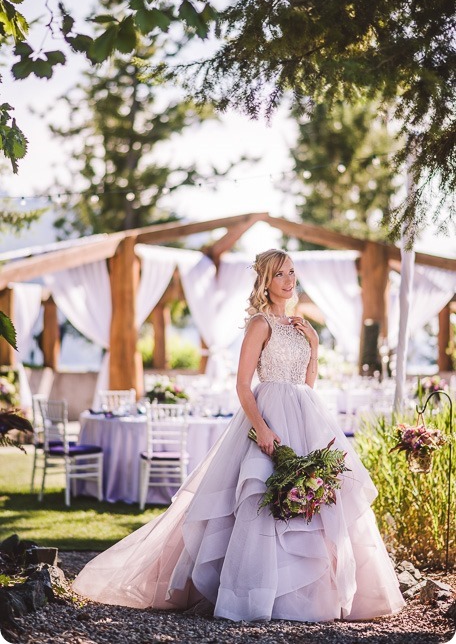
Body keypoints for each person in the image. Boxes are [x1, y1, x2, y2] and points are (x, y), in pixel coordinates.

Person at [72, 248, 405, 622]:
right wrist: (262, 428)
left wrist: (313, 344)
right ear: (265, 280)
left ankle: (305, 597)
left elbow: (308, 384)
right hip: (269, 416)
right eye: (280, 274)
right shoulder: (259, 323)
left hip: (305, 415)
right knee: (259, 498)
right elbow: (243, 385)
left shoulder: (299, 325)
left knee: (313, 497)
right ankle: (252, 594)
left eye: (292, 272)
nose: (289, 280)